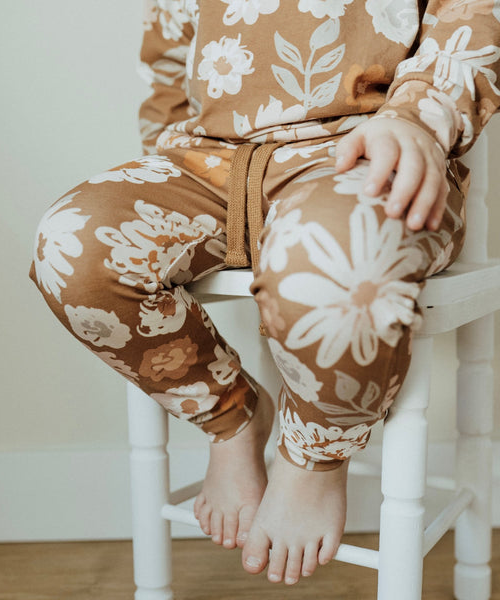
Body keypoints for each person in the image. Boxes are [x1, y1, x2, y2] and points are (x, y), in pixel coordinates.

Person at [29, 0, 500, 586]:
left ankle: (313, 456)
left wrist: (419, 118)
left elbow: (469, 16)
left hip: (361, 151)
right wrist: (163, 159)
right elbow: (168, 60)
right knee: (72, 247)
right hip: (207, 161)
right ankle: (231, 415)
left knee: (331, 260)